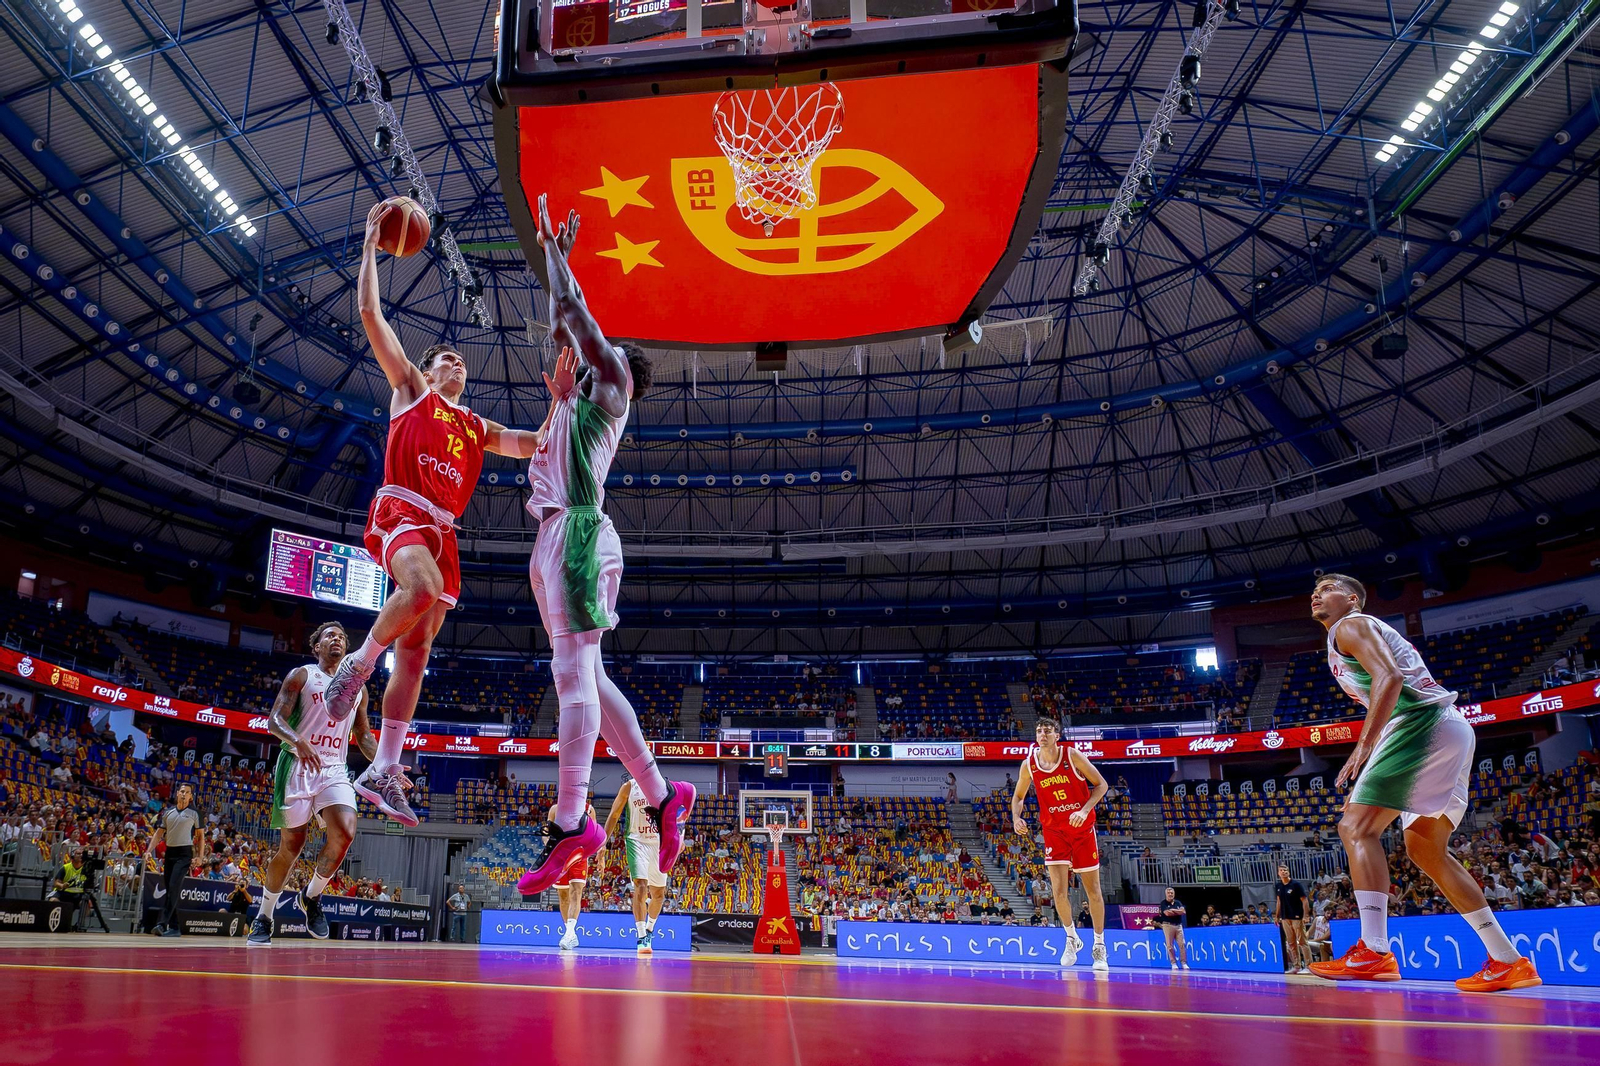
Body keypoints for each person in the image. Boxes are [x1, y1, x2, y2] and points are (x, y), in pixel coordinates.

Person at [321, 200, 546, 825]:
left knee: (417, 653)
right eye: (446, 357)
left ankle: (385, 767)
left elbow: (531, 444)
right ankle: (357, 669)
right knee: (416, 589)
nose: (457, 364)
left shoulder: (475, 425)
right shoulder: (411, 390)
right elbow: (370, 312)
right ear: (426, 367)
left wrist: (563, 402)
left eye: (461, 362)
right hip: (402, 509)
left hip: (443, 530)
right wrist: (370, 244)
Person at [515, 195, 694, 894]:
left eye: (598, 357)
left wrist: (562, 262)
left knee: (572, 673)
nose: (588, 358)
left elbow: (579, 320)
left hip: (583, 533)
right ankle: (661, 793)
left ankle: (571, 821)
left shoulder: (614, 384)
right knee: (588, 677)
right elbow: (566, 315)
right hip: (556, 538)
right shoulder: (572, 398)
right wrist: (552, 255)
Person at [1305, 575, 1539, 993]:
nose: (1317, 594)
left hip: (1420, 724)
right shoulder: (1349, 633)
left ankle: (1373, 951)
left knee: (1356, 827)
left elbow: (1390, 678)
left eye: (1328, 588)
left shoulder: (1351, 625)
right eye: (1316, 589)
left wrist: (1365, 744)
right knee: (1426, 850)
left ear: (1352, 599)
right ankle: (1508, 960)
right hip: (1450, 729)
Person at [249, 622, 376, 947]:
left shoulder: (357, 689)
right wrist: (297, 740)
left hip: (334, 768)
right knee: (292, 846)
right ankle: (265, 915)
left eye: (342, 637)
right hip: (297, 765)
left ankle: (312, 896)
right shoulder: (302, 676)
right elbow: (274, 719)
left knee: (345, 832)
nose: (337, 639)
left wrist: (383, 764)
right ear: (316, 646)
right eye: (330, 636)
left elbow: (362, 734)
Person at [1012, 716, 1110, 972]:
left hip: (1081, 829)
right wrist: (1015, 816)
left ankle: (1099, 945)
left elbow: (1101, 785)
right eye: (1038, 730)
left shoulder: (1072, 755)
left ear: (1057, 735)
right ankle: (1071, 938)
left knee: (1094, 891)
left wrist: (1085, 809)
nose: (1042, 734)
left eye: (1047, 730)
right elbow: (1019, 796)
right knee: (1058, 892)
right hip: (1054, 831)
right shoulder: (1029, 765)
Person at [603, 779, 668, 954]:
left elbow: (678, 814)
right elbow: (615, 814)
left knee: (659, 894)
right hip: (636, 841)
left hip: (658, 843)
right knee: (640, 885)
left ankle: (649, 929)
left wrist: (679, 838)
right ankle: (641, 937)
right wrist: (603, 842)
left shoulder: (665, 785)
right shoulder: (629, 786)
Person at [146, 783, 204, 937]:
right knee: (172, 889)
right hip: (170, 852)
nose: (184, 794)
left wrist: (200, 856)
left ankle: (161, 923)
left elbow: (201, 836)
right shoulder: (168, 812)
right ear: (177, 793)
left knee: (173, 887)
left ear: (191, 796)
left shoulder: (195, 813)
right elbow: (158, 834)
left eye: (188, 792)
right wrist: (148, 851)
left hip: (185, 854)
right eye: (182, 791)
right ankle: (175, 927)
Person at [1274, 864, 1311, 974]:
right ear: (1278, 873)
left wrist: (1306, 915)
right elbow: (1279, 901)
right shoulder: (1278, 886)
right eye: (1281, 870)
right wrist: (1277, 916)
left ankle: (1309, 966)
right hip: (1285, 917)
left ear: (1288, 872)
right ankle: (1296, 966)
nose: (1284, 872)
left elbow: (1304, 900)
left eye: (1285, 870)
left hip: (1297, 916)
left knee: (1302, 941)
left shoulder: (1296, 885)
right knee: (1291, 943)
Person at [53, 845, 87, 933]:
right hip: (64, 892)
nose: (80, 855)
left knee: (86, 905)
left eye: (82, 854)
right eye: (78, 854)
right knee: (53, 900)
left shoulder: (86, 869)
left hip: (78, 894)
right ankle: (56, 922)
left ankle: (78, 926)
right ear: (73, 855)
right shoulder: (65, 867)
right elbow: (56, 882)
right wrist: (62, 885)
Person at [1156, 886, 1188, 971]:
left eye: (1172, 893)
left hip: (1178, 925)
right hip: (1168, 925)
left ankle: (1183, 962)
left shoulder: (1178, 902)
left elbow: (1183, 912)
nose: (1170, 894)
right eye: (1168, 893)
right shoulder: (1163, 903)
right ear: (1166, 894)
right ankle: (1173, 963)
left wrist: (1173, 910)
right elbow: (1167, 913)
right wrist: (1177, 912)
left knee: (1182, 944)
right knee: (1170, 946)